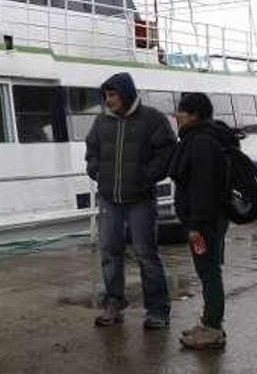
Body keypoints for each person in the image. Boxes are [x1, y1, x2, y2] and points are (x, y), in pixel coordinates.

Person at [85, 73, 176, 329]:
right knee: (109, 252)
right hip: (108, 198)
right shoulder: (101, 121)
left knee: (146, 254)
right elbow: (91, 149)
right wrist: (95, 169)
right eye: (106, 95)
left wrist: (147, 177)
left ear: (125, 93)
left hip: (140, 200)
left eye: (112, 95)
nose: (108, 100)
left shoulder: (152, 119)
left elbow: (167, 151)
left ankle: (157, 310)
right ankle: (114, 302)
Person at [169, 92, 233, 350]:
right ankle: (209, 322)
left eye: (181, 111)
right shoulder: (206, 138)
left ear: (194, 114)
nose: (177, 115)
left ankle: (213, 329)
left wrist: (195, 225)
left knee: (209, 273)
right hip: (211, 219)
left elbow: (202, 188)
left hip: (204, 222)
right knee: (209, 271)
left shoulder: (201, 143)